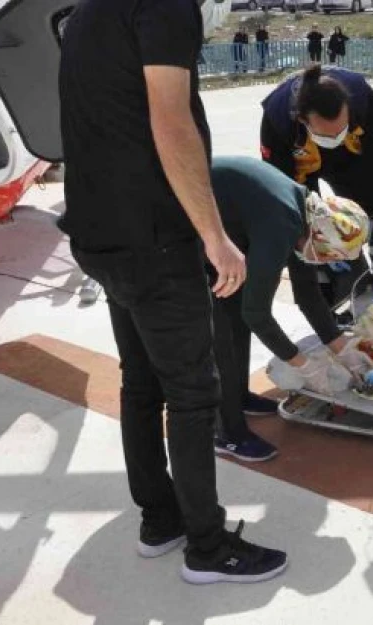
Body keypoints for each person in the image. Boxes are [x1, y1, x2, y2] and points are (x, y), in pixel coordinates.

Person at [58, 0, 286, 584]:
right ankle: (208, 548)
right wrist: (215, 236)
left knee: (141, 383)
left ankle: (159, 521)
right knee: (192, 394)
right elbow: (171, 119)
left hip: (98, 233)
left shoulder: (87, 14)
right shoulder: (164, 7)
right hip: (155, 239)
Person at [209, 156, 373, 461]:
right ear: (320, 238)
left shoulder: (307, 213)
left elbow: (307, 293)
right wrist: (303, 366)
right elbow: (256, 313)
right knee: (224, 322)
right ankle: (227, 433)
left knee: (235, 310)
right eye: (326, 256)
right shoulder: (282, 223)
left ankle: (239, 397)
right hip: (185, 228)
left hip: (226, 223)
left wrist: (342, 347)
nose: (325, 263)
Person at [260, 64, 373, 288]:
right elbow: (279, 183)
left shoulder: (364, 100)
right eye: (327, 133)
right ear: (302, 120)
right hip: (300, 165)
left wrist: (366, 204)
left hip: (353, 156)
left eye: (340, 129)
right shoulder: (277, 121)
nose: (334, 137)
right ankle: (333, 281)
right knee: (312, 222)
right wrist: (309, 224)